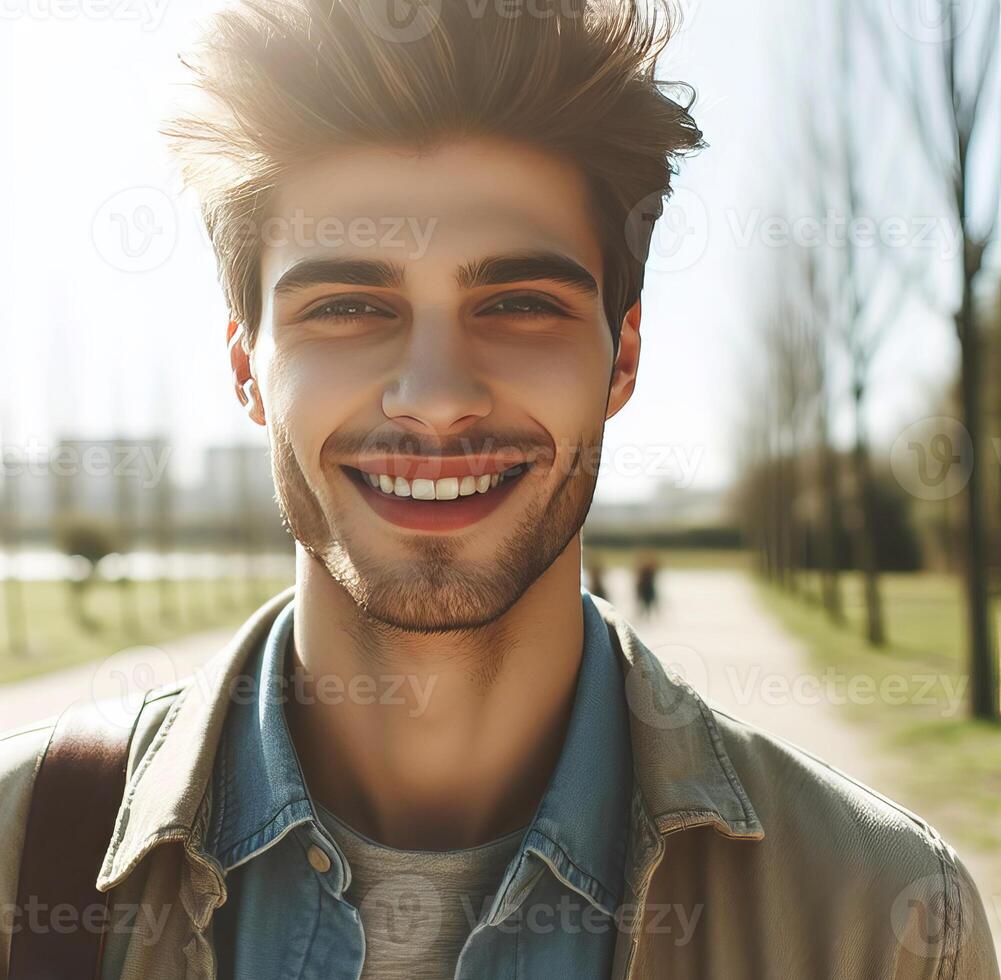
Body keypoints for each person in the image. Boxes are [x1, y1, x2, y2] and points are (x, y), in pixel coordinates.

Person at [2, 0, 998, 977]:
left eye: (519, 303)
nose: (434, 400)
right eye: (348, 305)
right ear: (246, 365)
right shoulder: (18, 856)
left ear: (622, 354)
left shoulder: (885, 922)